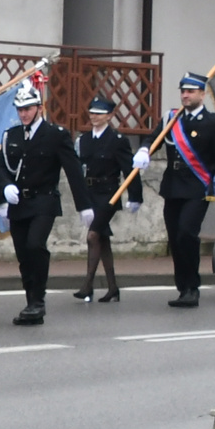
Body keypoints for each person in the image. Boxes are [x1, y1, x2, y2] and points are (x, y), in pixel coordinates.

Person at [0, 84, 92, 327]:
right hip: (19, 203)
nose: (24, 114)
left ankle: (38, 300)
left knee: (35, 245)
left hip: (44, 200)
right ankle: (31, 303)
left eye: (28, 109)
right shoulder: (12, 135)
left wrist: (84, 205)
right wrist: (5, 187)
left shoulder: (55, 135)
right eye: (20, 109)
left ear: (40, 107)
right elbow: (0, 168)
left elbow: (73, 170)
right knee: (23, 254)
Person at [158, 71, 215, 308]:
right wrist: (144, 151)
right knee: (175, 239)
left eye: (190, 91)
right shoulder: (172, 119)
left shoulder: (214, 123)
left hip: (197, 188)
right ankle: (182, 286)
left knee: (186, 233)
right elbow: (153, 139)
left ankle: (192, 286)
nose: (185, 95)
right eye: (183, 91)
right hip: (172, 187)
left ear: (202, 95)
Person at [73, 95, 140, 303]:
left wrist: (135, 196)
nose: (94, 117)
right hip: (90, 193)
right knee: (102, 240)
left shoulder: (117, 140)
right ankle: (112, 288)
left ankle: (87, 285)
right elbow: (78, 168)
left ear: (110, 116)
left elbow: (130, 170)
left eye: (100, 113)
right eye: (92, 112)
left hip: (109, 194)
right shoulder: (83, 140)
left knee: (92, 236)